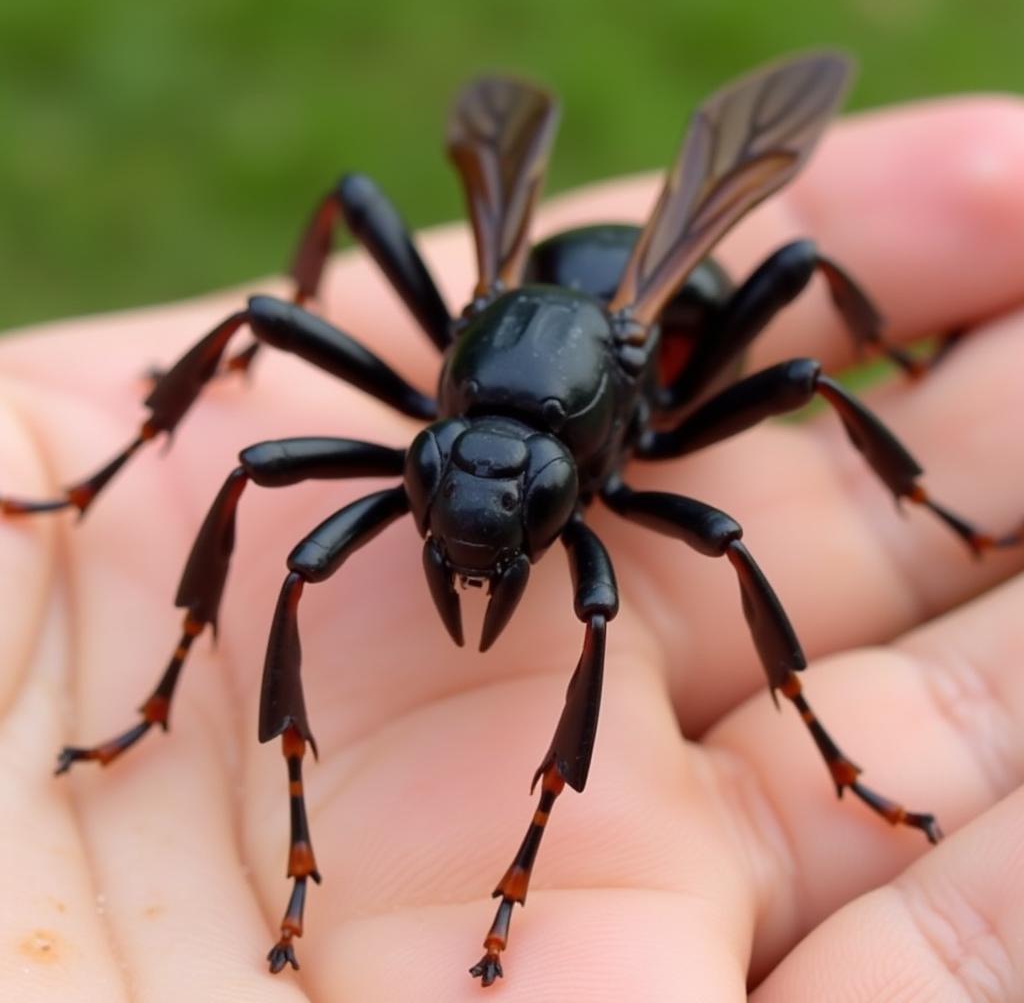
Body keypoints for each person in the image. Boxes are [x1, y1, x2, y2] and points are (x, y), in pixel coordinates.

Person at [1, 93, 1022, 1001]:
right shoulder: (471, 397)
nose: (470, 533)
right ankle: (133, 574)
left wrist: (794, 688)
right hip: (544, 308)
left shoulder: (626, 404)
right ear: (434, 436)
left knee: (777, 386)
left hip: (653, 342)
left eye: (514, 508)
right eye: (440, 482)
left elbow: (793, 304)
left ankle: (901, 545)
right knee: (274, 439)